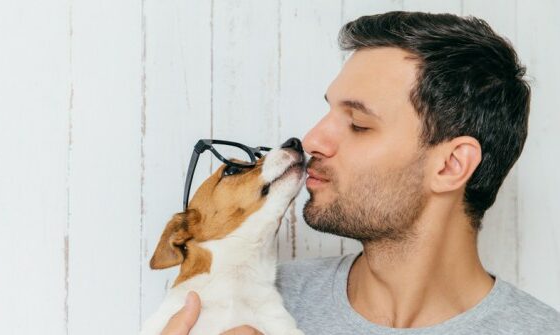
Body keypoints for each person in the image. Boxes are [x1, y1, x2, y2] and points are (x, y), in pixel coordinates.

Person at [159, 11, 560, 335]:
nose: (313, 139)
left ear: (451, 165)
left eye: (359, 124)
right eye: (328, 111)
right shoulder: (233, 301)